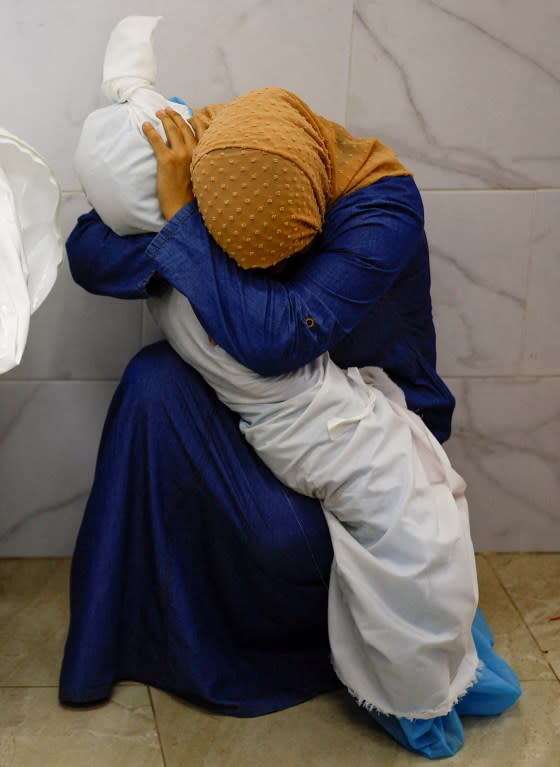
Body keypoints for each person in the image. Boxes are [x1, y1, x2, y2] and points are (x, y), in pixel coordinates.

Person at [60, 87, 520, 758]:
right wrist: (180, 208)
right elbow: (89, 253)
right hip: (271, 406)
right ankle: (132, 638)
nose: (261, 262)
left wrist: (185, 222)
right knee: (152, 382)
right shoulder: (232, 158)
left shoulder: (381, 210)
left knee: (283, 534)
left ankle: (369, 658)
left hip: (359, 413)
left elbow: (277, 337)